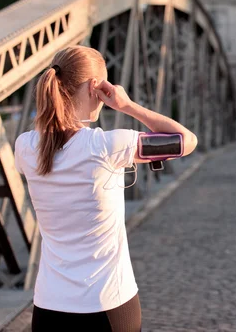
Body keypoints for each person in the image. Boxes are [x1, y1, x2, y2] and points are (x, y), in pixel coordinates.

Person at [14, 45, 198, 331]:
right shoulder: (108, 146)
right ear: (95, 88)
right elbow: (186, 140)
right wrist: (126, 105)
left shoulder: (25, 147)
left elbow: (56, 144)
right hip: (109, 305)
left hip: (49, 306)